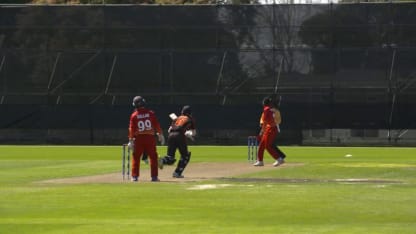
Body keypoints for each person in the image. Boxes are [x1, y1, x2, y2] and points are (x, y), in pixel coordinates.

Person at [128, 96, 165, 182]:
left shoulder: (134, 115)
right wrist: (160, 134)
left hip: (139, 139)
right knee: (153, 157)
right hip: (150, 138)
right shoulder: (150, 113)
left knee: (136, 157)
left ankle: (134, 176)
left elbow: (131, 129)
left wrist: (130, 140)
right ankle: (154, 177)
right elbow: (156, 125)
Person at [159, 105, 196, 178]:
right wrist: (188, 134)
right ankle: (177, 173)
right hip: (179, 136)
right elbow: (194, 133)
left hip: (171, 135)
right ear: (190, 113)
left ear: (182, 112)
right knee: (185, 156)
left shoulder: (177, 118)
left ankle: (161, 160)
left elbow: (169, 130)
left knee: (170, 158)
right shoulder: (190, 119)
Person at [253, 96, 285, 167]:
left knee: (267, 146)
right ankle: (260, 161)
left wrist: (262, 131)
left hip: (271, 129)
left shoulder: (266, 109)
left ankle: (279, 159)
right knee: (262, 145)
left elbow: (265, 121)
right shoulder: (272, 109)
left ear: (264, 103)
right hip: (270, 128)